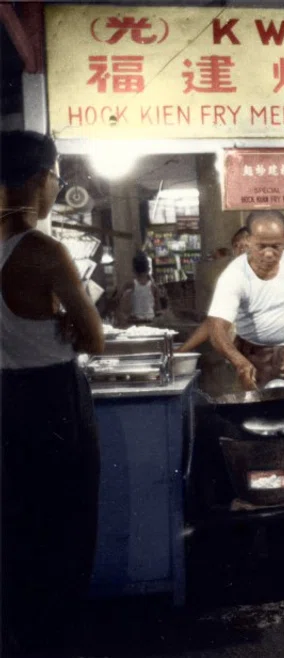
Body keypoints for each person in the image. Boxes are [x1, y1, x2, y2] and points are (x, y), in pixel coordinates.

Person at [0, 130, 105, 654]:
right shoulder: (42, 250)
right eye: (57, 178)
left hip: (6, 400)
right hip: (52, 400)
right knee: (66, 527)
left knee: (18, 525)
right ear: (41, 179)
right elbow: (96, 339)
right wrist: (64, 316)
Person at [206, 210, 284, 390]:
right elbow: (216, 329)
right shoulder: (234, 275)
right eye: (261, 246)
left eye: (276, 246)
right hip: (251, 354)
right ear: (248, 240)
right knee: (256, 410)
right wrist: (239, 362)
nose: (269, 254)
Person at [177, 226, 251, 353]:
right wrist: (181, 351)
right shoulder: (232, 280)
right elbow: (213, 322)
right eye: (237, 246)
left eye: (246, 246)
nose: (241, 251)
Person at [115, 250, 163, 327]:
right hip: (151, 322)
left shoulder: (130, 284)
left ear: (134, 269)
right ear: (148, 268)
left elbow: (117, 300)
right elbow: (158, 309)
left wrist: (123, 316)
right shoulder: (153, 287)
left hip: (135, 323)